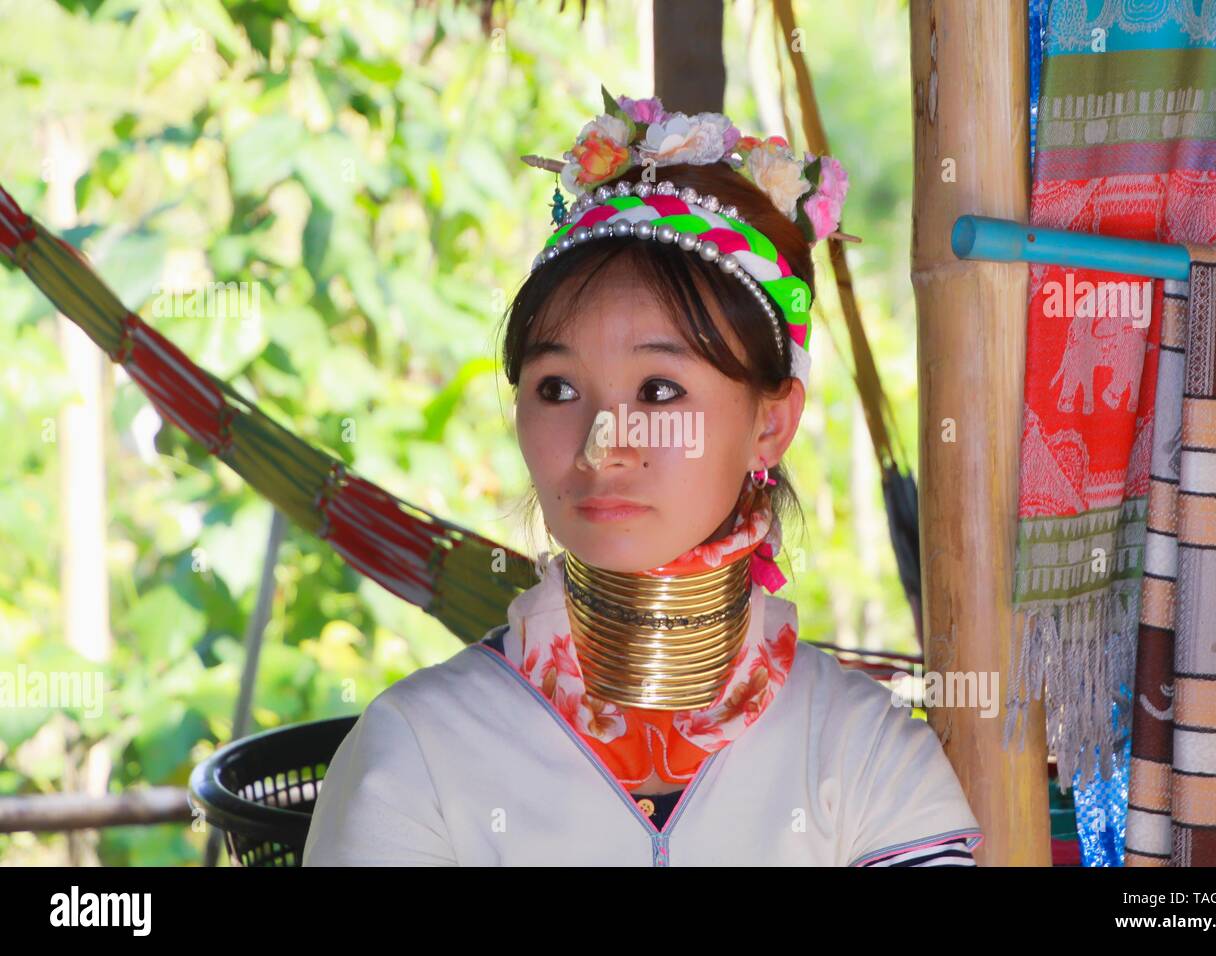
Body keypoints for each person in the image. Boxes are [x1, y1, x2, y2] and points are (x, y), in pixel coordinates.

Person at [303, 90, 982, 866]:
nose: (602, 445)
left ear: (770, 423)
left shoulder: (866, 760)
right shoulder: (417, 755)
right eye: (557, 388)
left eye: (660, 390)